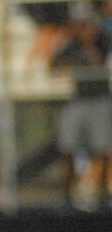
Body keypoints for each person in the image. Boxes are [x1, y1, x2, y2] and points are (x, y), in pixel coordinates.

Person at [50, 12, 111, 212]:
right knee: (68, 147)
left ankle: (101, 193)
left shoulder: (103, 43)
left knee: (102, 148)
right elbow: (54, 66)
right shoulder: (71, 46)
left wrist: (89, 45)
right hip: (78, 101)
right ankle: (68, 194)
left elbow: (100, 64)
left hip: (99, 101)